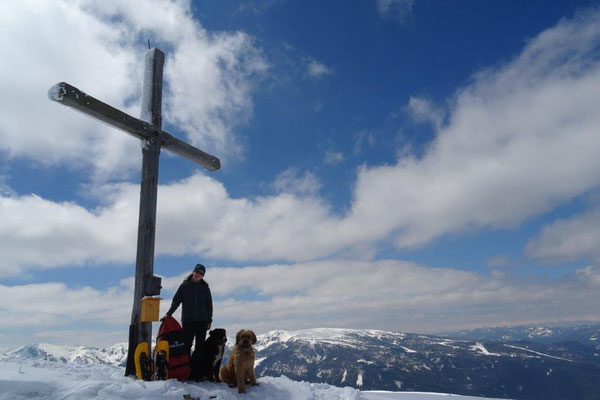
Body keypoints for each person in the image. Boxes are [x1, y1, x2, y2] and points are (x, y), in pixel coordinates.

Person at [165, 263, 213, 355]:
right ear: (193, 271)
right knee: (187, 345)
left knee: (200, 347)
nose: (198, 274)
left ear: (203, 276)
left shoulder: (205, 288)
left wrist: (209, 321)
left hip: (202, 321)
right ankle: (186, 367)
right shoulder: (184, 286)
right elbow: (176, 301)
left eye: (201, 273)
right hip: (188, 321)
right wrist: (169, 313)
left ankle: (197, 368)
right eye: (197, 271)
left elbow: (209, 306)